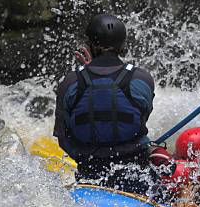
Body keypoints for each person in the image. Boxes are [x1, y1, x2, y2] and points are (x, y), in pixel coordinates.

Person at [53, 13, 165, 194]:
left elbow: (63, 138)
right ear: (122, 44)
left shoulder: (71, 82)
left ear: (89, 43)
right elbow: (140, 118)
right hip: (137, 177)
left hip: (89, 177)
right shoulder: (141, 79)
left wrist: (90, 74)